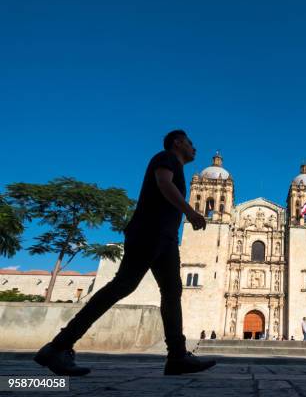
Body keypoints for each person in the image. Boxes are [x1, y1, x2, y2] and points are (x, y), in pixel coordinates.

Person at [34, 130, 215, 376]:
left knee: (172, 292)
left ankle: (177, 356)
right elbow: (163, 183)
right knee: (123, 286)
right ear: (178, 143)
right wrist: (190, 212)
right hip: (150, 231)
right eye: (191, 143)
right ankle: (58, 346)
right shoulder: (166, 158)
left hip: (166, 238)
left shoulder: (177, 165)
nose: (195, 148)